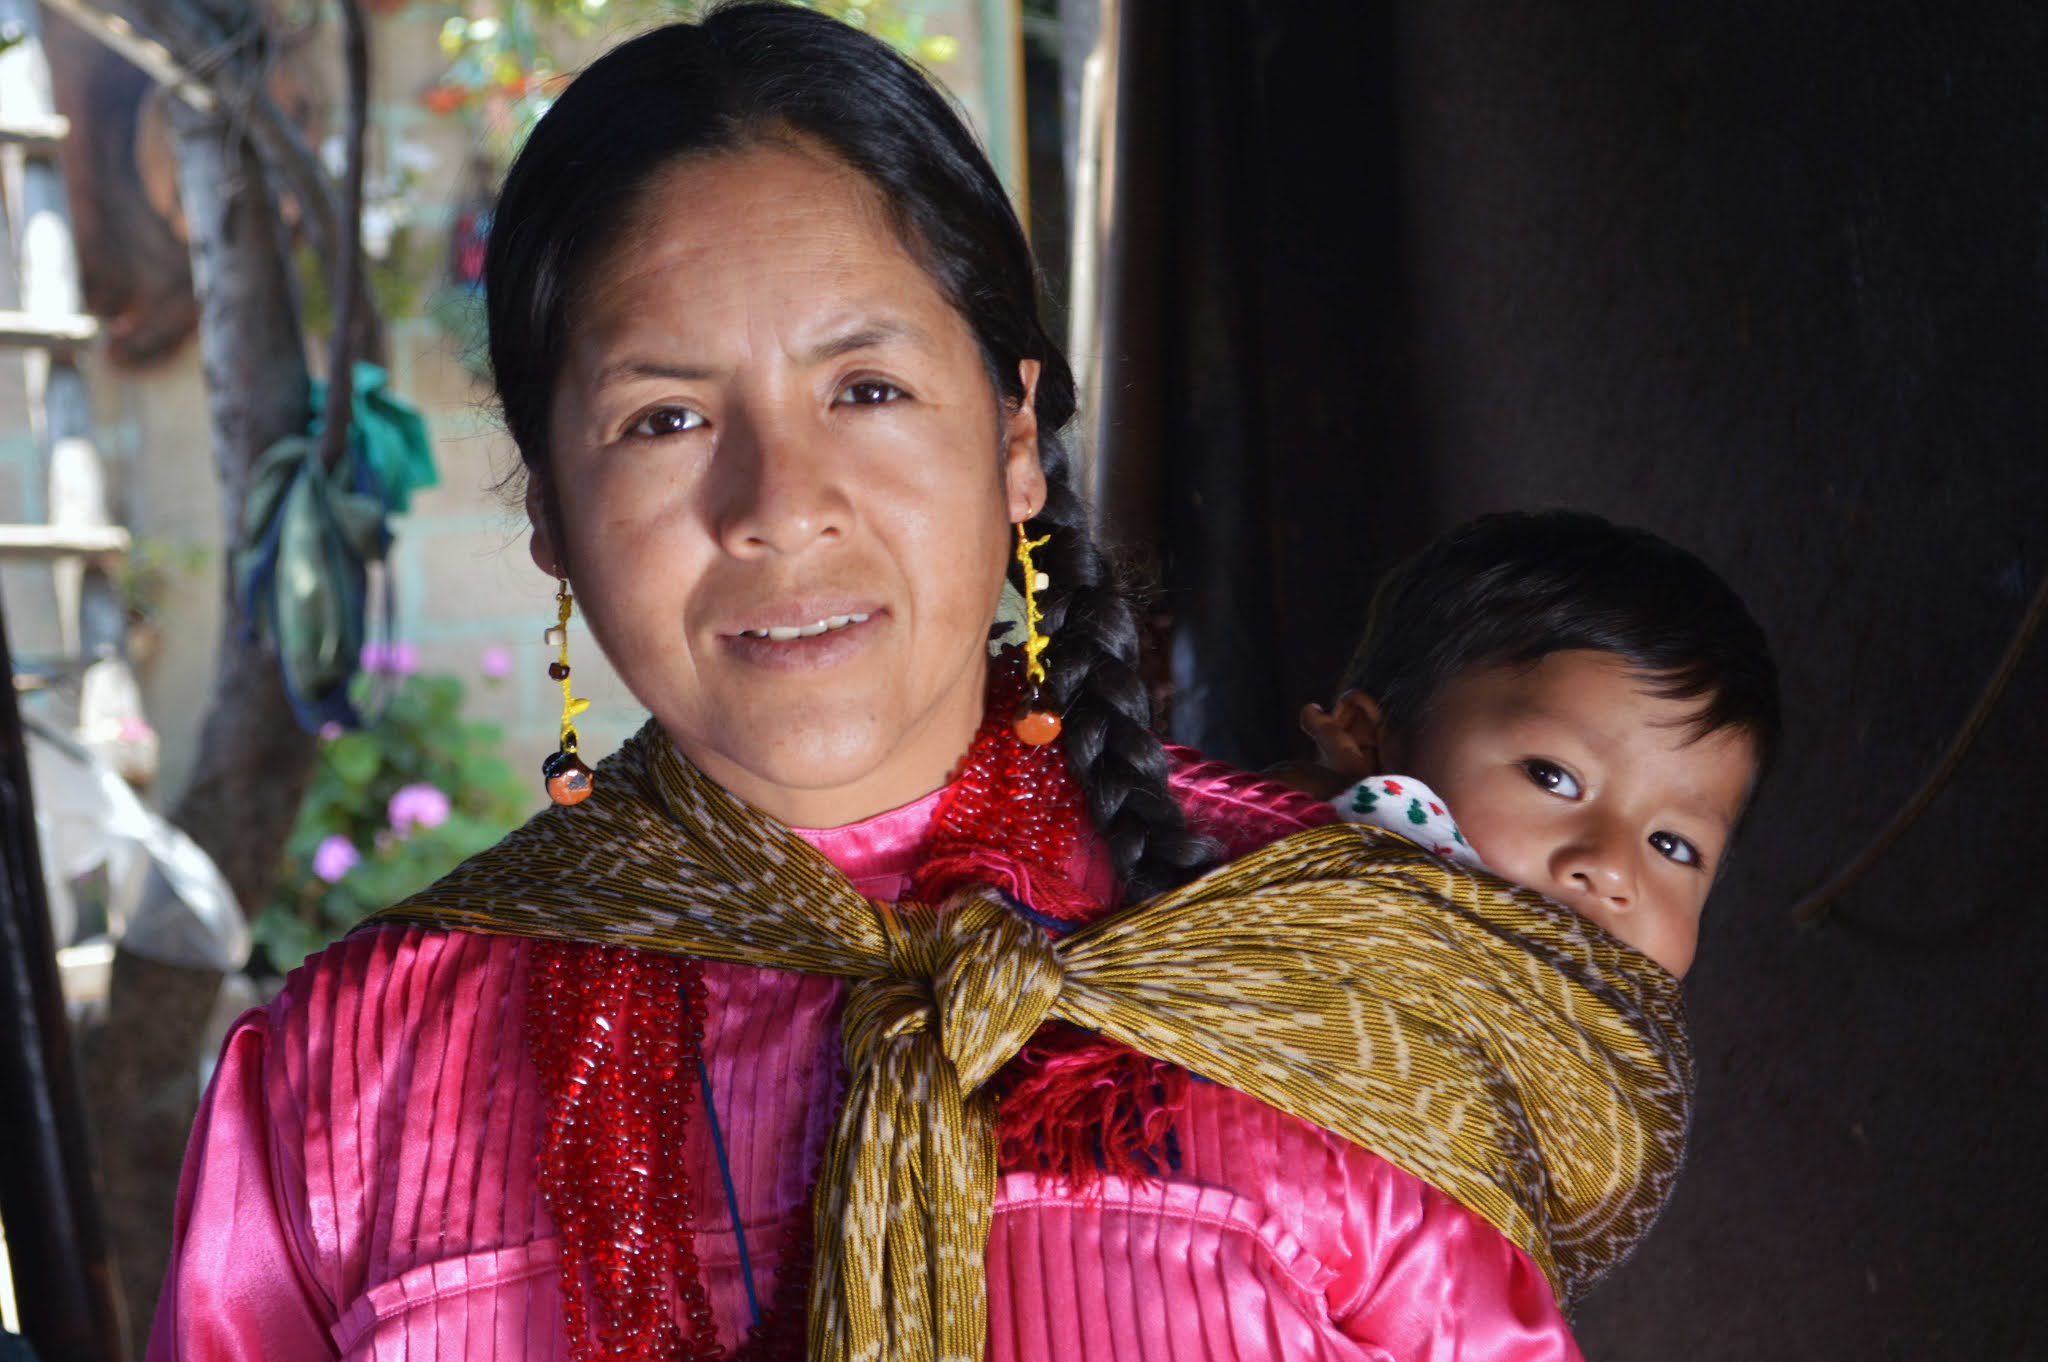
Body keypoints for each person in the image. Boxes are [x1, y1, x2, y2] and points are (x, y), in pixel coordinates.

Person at [147, 9, 1688, 1361]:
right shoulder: (347, 1085)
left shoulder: (1330, 977)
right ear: (546, 504)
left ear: (1016, 434)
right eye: (666, 418)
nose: (777, 500)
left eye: (866, 389)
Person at [1284, 509, 1781, 979]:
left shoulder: (1618, 1054)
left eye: (1671, 845)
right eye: (1553, 777)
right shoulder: (1270, 910)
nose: (1611, 869)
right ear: (1365, 740)